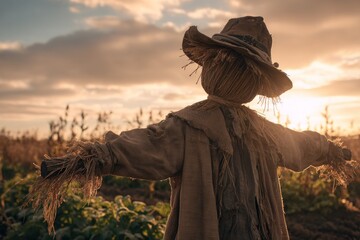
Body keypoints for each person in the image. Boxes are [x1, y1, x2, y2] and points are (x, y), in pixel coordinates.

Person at [30, 16, 353, 240]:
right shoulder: (210, 128)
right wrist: (333, 150)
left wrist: (84, 160)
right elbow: (138, 148)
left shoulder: (206, 127)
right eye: (225, 63)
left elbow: (138, 147)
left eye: (234, 66)